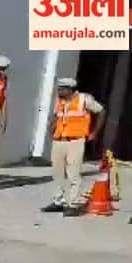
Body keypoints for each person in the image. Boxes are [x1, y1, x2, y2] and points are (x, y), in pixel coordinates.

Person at [43, 77, 106, 216]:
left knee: (73, 173)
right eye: (58, 88)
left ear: (70, 89)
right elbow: (56, 116)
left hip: (75, 141)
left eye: (62, 89)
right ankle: (58, 201)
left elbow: (101, 111)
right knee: (57, 172)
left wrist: (94, 132)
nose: (59, 91)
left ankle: (72, 203)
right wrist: (50, 129)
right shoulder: (59, 100)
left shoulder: (84, 99)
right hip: (59, 140)